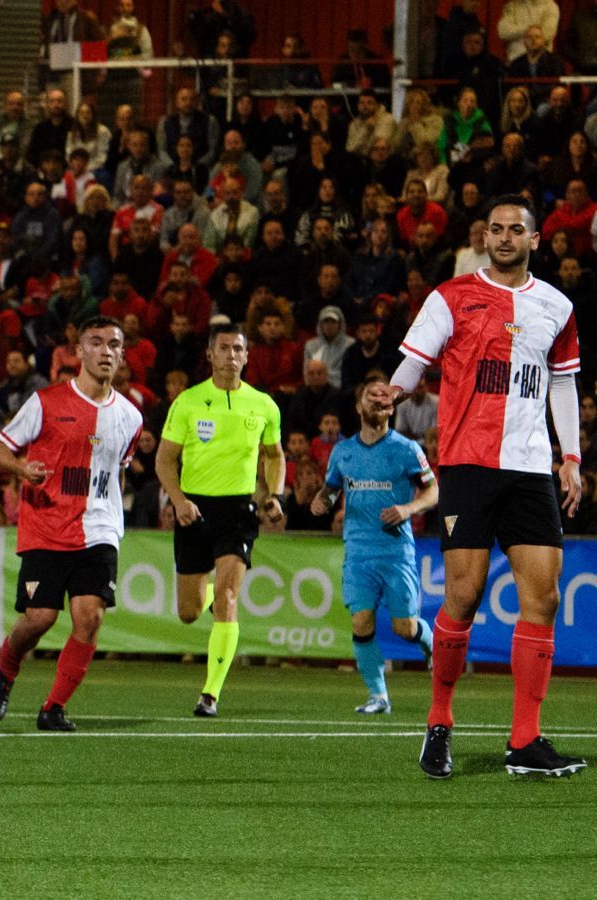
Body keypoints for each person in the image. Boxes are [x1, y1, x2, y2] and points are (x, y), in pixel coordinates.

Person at [370, 195, 587, 779]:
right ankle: (438, 722)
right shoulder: (451, 296)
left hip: (531, 469)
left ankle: (526, 741)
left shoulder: (557, 306)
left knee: (543, 598)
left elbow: (563, 385)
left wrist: (571, 457)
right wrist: (393, 389)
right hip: (466, 466)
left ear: (535, 240)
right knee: (463, 596)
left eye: (517, 230)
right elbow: (414, 363)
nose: (506, 237)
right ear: (483, 238)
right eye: (496, 229)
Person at [0, 316, 141, 731]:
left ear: (122, 355)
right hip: (47, 527)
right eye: (96, 342)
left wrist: (112, 511)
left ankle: (53, 708)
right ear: (79, 352)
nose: (106, 351)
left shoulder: (131, 417)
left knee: (90, 617)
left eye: (114, 344)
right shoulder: (46, 402)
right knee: (41, 618)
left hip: (100, 529)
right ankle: (5, 671)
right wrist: (20, 468)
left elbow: (118, 469)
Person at [155, 323, 285, 717]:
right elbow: (164, 459)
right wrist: (178, 501)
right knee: (189, 612)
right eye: (224, 348)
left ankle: (210, 694)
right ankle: (208, 600)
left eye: (238, 349)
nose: (231, 355)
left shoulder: (263, 405)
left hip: (238, 511)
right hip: (193, 509)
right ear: (210, 355)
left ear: (247, 356)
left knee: (229, 600)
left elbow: (275, 455)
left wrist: (274, 496)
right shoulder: (189, 402)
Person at [310, 378, 437, 713]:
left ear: (391, 408)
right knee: (360, 622)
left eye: (385, 398)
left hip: (396, 552)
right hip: (358, 551)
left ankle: (430, 644)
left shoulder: (407, 449)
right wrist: (322, 500)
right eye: (372, 397)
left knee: (404, 628)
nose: (380, 402)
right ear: (359, 406)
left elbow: (433, 491)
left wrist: (408, 509)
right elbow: (332, 489)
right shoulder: (343, 452)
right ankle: (378, 695)